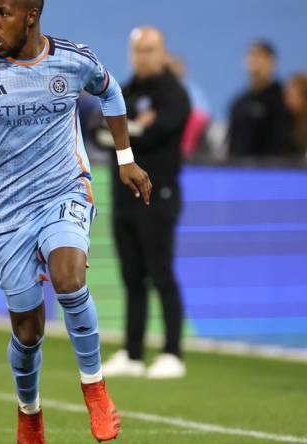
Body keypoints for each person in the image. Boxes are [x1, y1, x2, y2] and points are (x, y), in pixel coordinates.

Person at [0, 1, 152, 442]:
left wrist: (126, 158)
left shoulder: (73, 60)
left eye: (3, 13)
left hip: (64, 190)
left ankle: (95, 389)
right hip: (8, 210)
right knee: (28, 330)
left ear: (31, 15)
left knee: (69, 278)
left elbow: (109, 91)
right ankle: (29, 413)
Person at [101, 27, 190, 380]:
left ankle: (172, 352)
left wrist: (130, 130)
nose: (144, 56)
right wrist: (134, 128)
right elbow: (101, 129)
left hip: (159, 195)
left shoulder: (174, 93)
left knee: (161, 272)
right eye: (139, 50)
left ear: (163, 52)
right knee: (131, 276)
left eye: (151, 49)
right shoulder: (125, 91)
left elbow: (156, 133)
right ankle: (133, 353)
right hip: (124, 197)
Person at [227, 40, 291, 157]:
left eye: (260, 56)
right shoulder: (239, 102)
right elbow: (232, 144)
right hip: (239, 170)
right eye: (251, 56)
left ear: (272, 62)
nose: (254, 61)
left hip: (272, 170)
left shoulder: (284, 99)